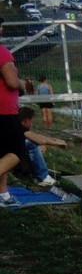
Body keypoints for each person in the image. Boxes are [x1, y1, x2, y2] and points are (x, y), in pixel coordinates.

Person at [0, 39, 25, 205]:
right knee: (17, 152)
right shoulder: (2, 52)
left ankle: (3, 194)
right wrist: (22, 84)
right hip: (4, 112)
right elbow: (12, 82)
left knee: (3, 154)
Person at [17, 106, 62, 188]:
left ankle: (40, 172)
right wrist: (57, 143)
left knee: (35, 146)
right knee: (32, 144)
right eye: (31, 121)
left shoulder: (16, 126)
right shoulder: (21, 130)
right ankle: (44, 177)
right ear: (25, 121)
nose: (32, 124)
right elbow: (40, 140)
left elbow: (38, 138)